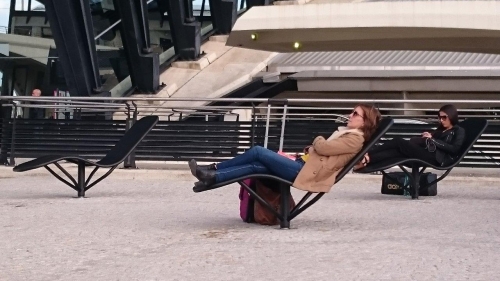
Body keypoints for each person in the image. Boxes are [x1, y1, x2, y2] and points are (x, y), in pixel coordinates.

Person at [189, 104, 381, 193]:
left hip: (304, 172)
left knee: (258, 151)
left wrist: (318, 139)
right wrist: (314, 148)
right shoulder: (350, 136)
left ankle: (213, 169)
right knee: (256, 166)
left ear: (365, 122)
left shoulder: (355, 139)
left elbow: (323, 147)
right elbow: (323, 151)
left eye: (355, 113)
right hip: (301, 165)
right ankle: (212, 178)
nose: (350, 115)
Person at [355, 104, 465, 170]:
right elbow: (431, 142)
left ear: (451, 116)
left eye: (444, 117)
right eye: (439, 117)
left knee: (398, 141)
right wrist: (427, 137)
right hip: (426, 153)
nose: (441, 120)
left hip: (437, 159)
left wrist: (433, 140)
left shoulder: (459, 130)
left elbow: (454, 149)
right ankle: (367, 159)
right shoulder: (441, 129)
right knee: (396, 152)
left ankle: (367, 153)